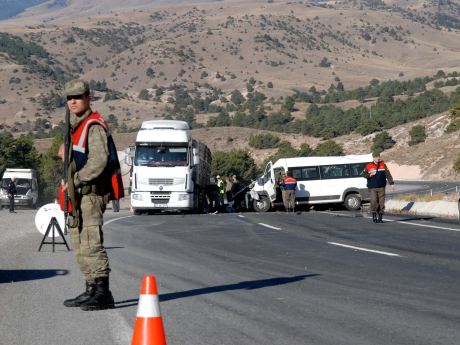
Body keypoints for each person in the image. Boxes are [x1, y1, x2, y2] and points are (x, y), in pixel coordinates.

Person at [61, 79, 116, 311]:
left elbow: (99, 161)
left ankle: (103, 293)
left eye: (78, 97)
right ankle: (91, 288)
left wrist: (76, 179)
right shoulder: (78, 127)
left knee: (91, 243)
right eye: (69, 98)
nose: (72, 101)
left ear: (88, 98)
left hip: (91, 194)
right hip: (79, 195)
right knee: (80, 244)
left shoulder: (93, 125)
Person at [362, 151, 395, 223]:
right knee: (374, 201)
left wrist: (391, 183)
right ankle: (374, 215)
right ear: (373, 158)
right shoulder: (369, 165)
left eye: (378, 157)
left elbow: (388, 174)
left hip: (381, 187)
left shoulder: (383, 164)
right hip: (372, 187)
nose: (378, 158)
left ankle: (380, 217)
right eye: (376, 157)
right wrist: (369, 175)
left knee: (381, 203)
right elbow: (363, 174)